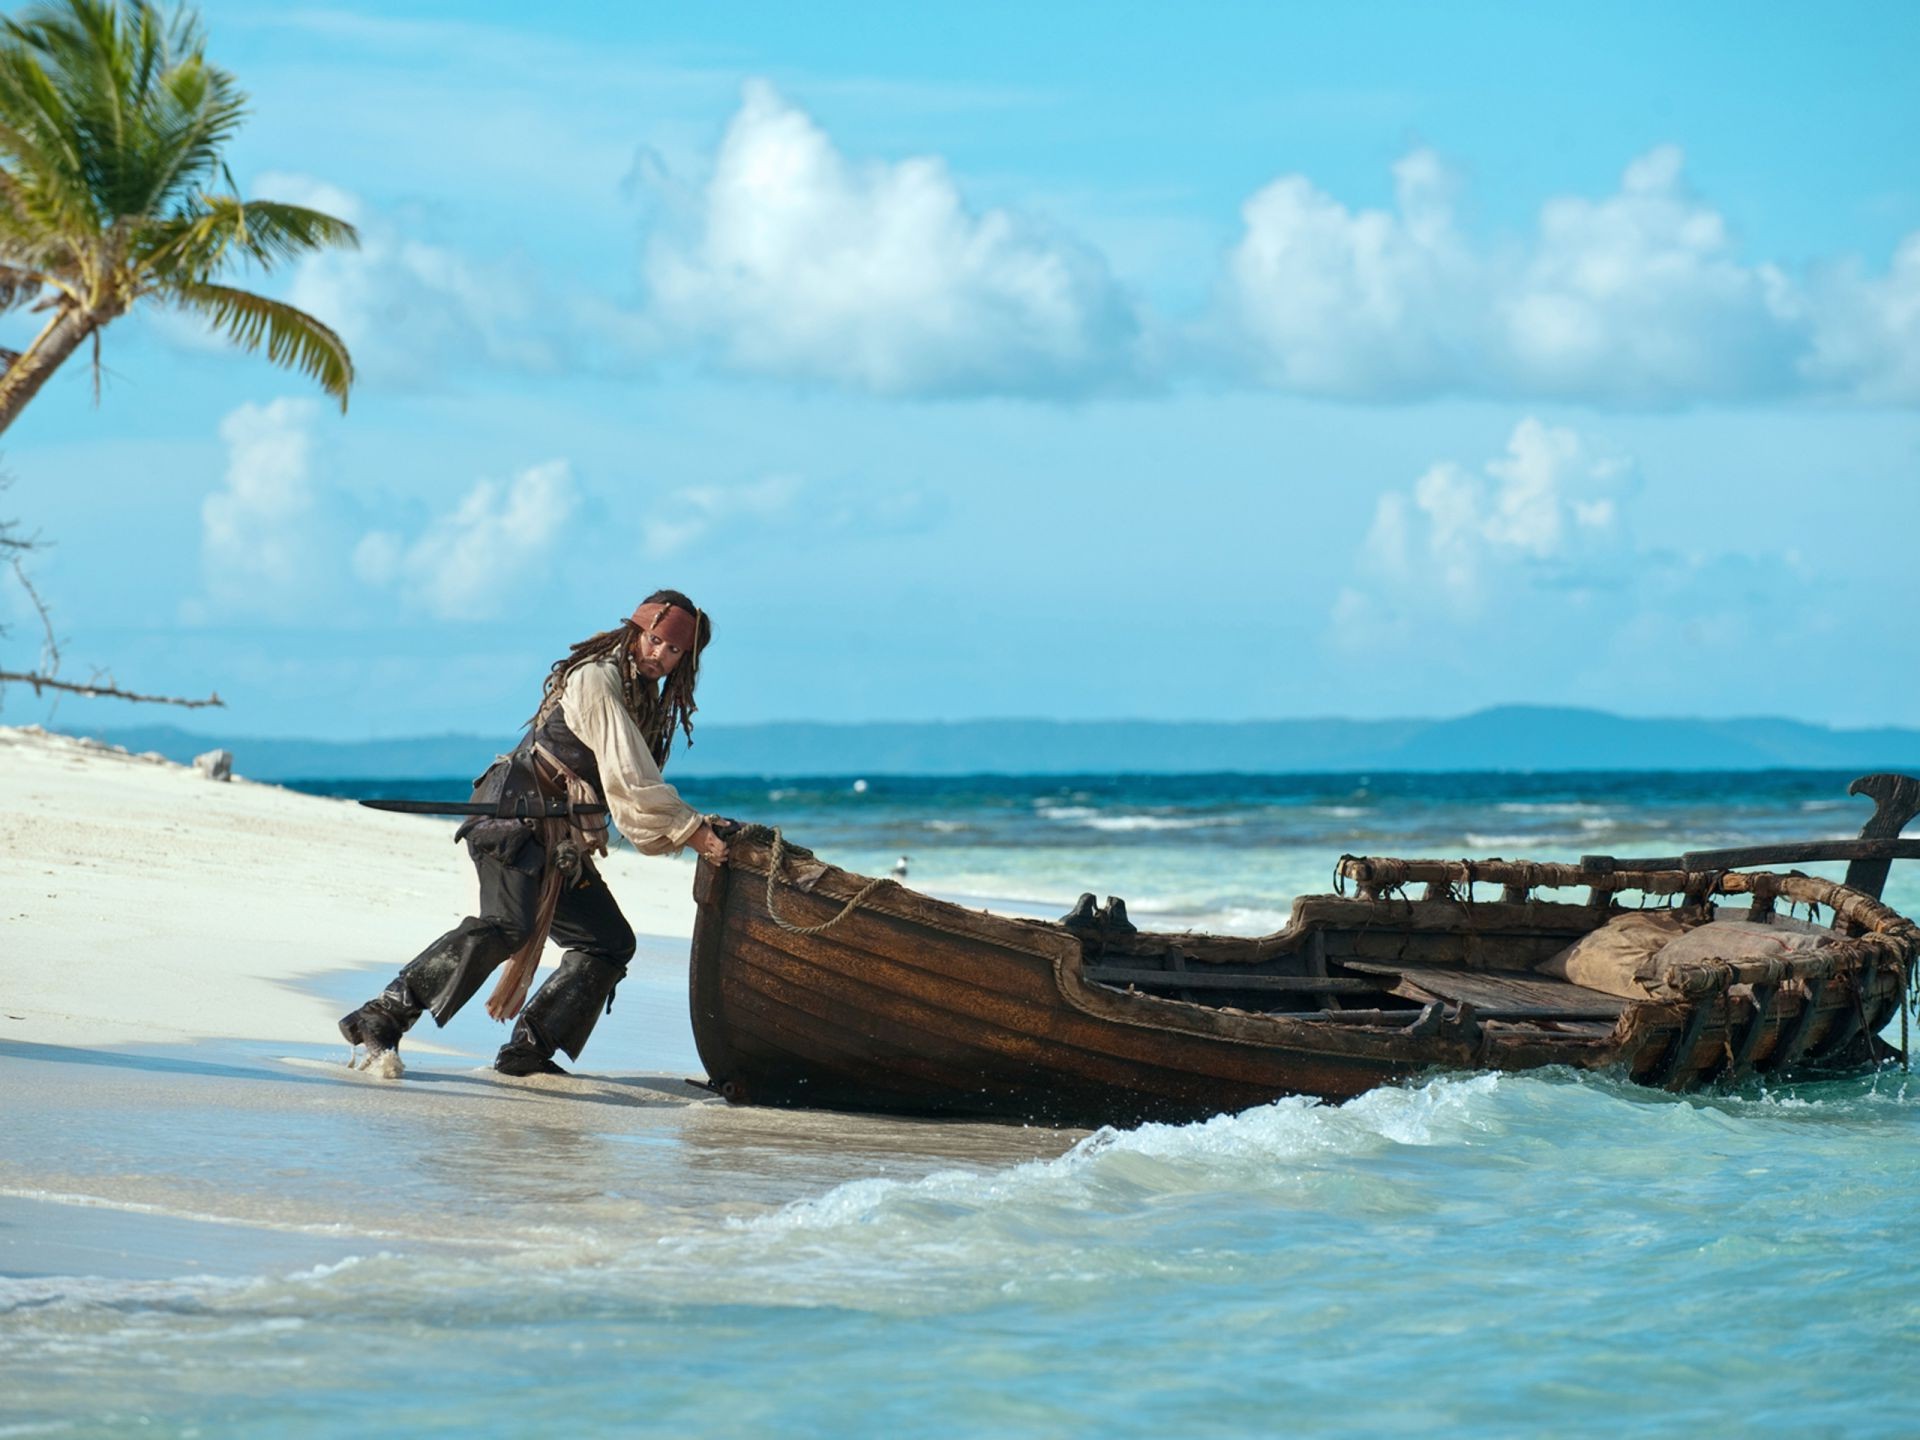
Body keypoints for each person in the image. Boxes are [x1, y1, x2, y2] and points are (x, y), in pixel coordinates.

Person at [338, 590, 733, 1077]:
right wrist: (691, 831)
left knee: (608, 942)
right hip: (513, 818)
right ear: (637, 632)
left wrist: (694, 825)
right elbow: (631, 779)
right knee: (508, 924)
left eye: (674, 651)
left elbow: (626, 782)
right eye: (655, 641)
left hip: (559, 839)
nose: (660, 656)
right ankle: (382, 1014)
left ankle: (528, 1051)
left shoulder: (644, 699)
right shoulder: (596, 679)